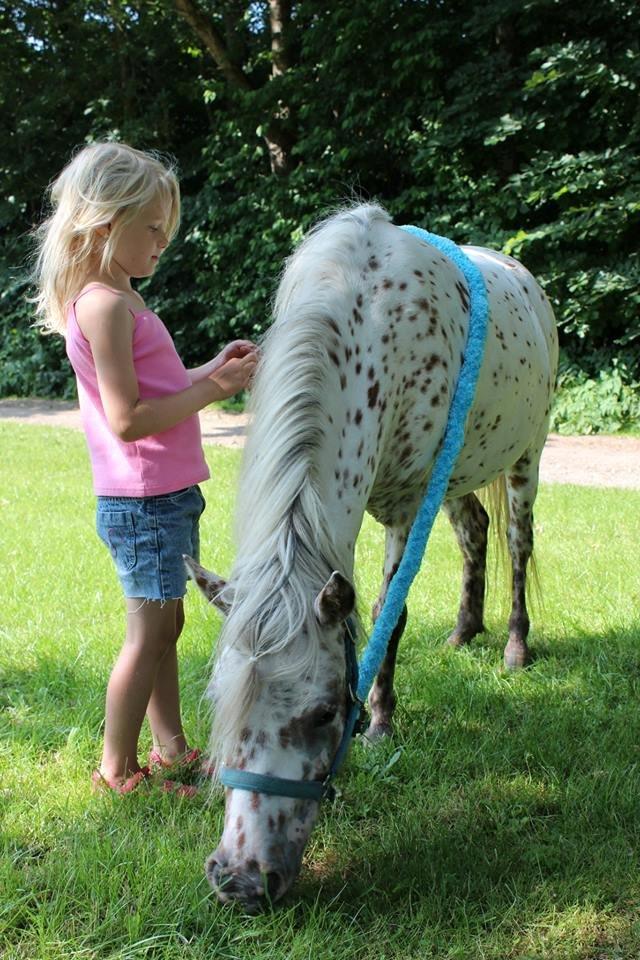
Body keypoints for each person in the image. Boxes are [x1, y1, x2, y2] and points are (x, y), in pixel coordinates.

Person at [32, 141, 258, 795]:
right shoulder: (102, 305)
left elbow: (157, 388)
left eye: (167, 230)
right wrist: (215, 392)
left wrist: (212, 370)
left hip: (165, 495)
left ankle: (172, 749)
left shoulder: (121, 298)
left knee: (169, 622)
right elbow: (127, 418)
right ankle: (117, 768)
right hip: (142, 500)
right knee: (152, 627)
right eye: (151, 228)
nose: (163, 242)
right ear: (104, 225)